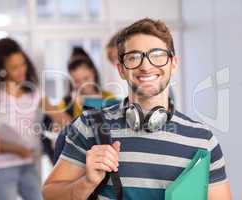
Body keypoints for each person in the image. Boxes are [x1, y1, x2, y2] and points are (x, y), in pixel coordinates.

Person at [42, 18, 231, 200]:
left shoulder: (203, 139)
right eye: (134, 57)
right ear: (121, 69)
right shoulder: (89, 125)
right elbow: (49, 194)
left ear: (173, 64)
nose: (146, 66)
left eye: (157, 55)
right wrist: (87, 182)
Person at [0, 38, 70, 200]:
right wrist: (16, 149)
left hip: (28, 164)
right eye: (14, 67)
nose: (21, 70)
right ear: (2, 70)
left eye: (23, 64)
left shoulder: (34, 93)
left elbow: (61, 117)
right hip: (1, 168)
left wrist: (76, 126)